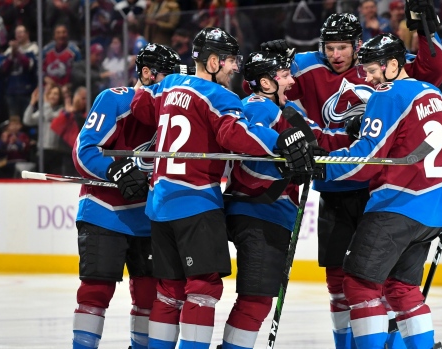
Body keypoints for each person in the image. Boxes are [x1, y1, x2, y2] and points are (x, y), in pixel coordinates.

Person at [261, 6, 442, 348]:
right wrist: (268, 64)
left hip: (376, 186)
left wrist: (425, 32)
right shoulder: (309, 64)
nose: (336, 54)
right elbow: (271, 87)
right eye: (329, 47)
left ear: (358, 44)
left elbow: (434, 67)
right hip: (340, 185)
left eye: (343, 47)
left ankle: (389, 342)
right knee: (341, 280)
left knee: (377, 280)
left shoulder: (382, 64)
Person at [129, 27, 315, 349]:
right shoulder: (221, 97)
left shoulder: (169, 85)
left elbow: (141, 106)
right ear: (213, 61)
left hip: (158, 206)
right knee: (202, 289)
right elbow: (237, 137)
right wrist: (282, 142)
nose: (235, 67)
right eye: (230, 60)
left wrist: (150, 81)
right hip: (196, 203)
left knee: (169, 291)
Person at [316, 33, 442, 349]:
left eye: (371, 70)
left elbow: (368, 158)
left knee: (358, 284)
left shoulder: (390, 93)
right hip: (435, 210)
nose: (368, 78)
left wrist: (321, 165)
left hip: (398, 203)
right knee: (402, 287)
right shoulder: (432, 94)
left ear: (393, 65)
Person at [220, 48, 350, 349]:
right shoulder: (257, 105)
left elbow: (322, 140)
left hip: (273, 215)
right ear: (267, 84)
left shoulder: (290, 110)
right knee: (256, 300)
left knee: (260, 300)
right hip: (257, 212)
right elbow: (250, 160)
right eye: (285, 75)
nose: (292, 81)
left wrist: (356, 132)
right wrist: (286, 162)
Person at [70, 43, 181, 349]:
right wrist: (113, 170)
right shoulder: (114, 100)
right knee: (96, 290)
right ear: (146, 73)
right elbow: (84, 151)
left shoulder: (171, 112)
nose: (171, 87)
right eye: (166, 78)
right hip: (104, 211)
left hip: (149, 216)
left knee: (149, 295)